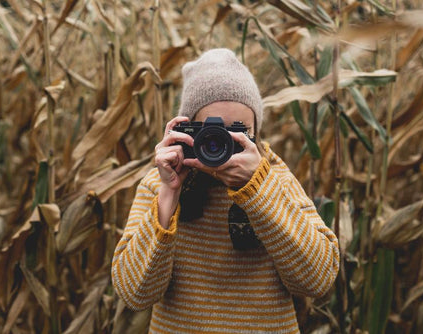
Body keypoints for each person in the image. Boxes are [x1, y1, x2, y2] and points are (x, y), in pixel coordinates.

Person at [111, 48, 340, 333]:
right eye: (212, 131)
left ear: (256, 131)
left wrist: (257, 190)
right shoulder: (161, 183)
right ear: (188, 129)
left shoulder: (275, 178)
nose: (221, 143)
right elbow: (135, 293)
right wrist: (168, 195)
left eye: (239, 132)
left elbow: (317, 280)